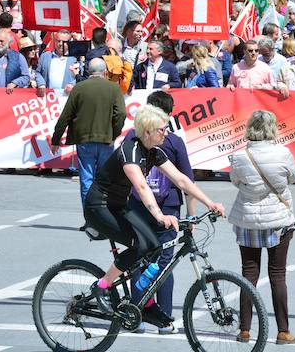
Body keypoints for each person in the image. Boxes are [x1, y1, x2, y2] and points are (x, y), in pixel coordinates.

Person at [82, 104, 225, 328]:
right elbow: (141, 186)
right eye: (162, 129)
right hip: (99, 206)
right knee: (139, 246)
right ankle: (102, 286)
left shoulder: (154, 151)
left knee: (153, 247)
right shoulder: (129, 149)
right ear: (147, 131)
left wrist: (210, 202)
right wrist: (159, 215)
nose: (166, 133)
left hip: (119, 205)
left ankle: (145, 303)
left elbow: (181, 179)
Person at [228, 110, 295, 345]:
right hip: (278, 218)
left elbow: (235, 181)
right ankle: (283, 331)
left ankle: (245, 329)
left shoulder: (240, 156)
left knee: (248, 273)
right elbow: (292, 177)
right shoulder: (283, 153)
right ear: (272, 128)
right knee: (278, 274)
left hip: (247, 218)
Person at [127, 91, 196, 335]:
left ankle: (136, 314)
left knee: (140, 260)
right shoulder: (174, 142)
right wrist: (191, 216)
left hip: (138, 206)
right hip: (168, 208)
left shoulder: (132, 139)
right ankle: (164, 318)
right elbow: (186, 180)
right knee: (165, 263)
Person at [51, 58, 127, 202]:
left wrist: (56, 139)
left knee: (87, 179)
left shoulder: (79, 88)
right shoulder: (114, 88)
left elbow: (65, 116)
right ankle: (102, 210)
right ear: (105, 72)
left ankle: (88, 213)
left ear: (88, 71)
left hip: (84, 139)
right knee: (104, 179)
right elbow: (121, 114)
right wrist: (114, 133)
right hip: (106, 139)